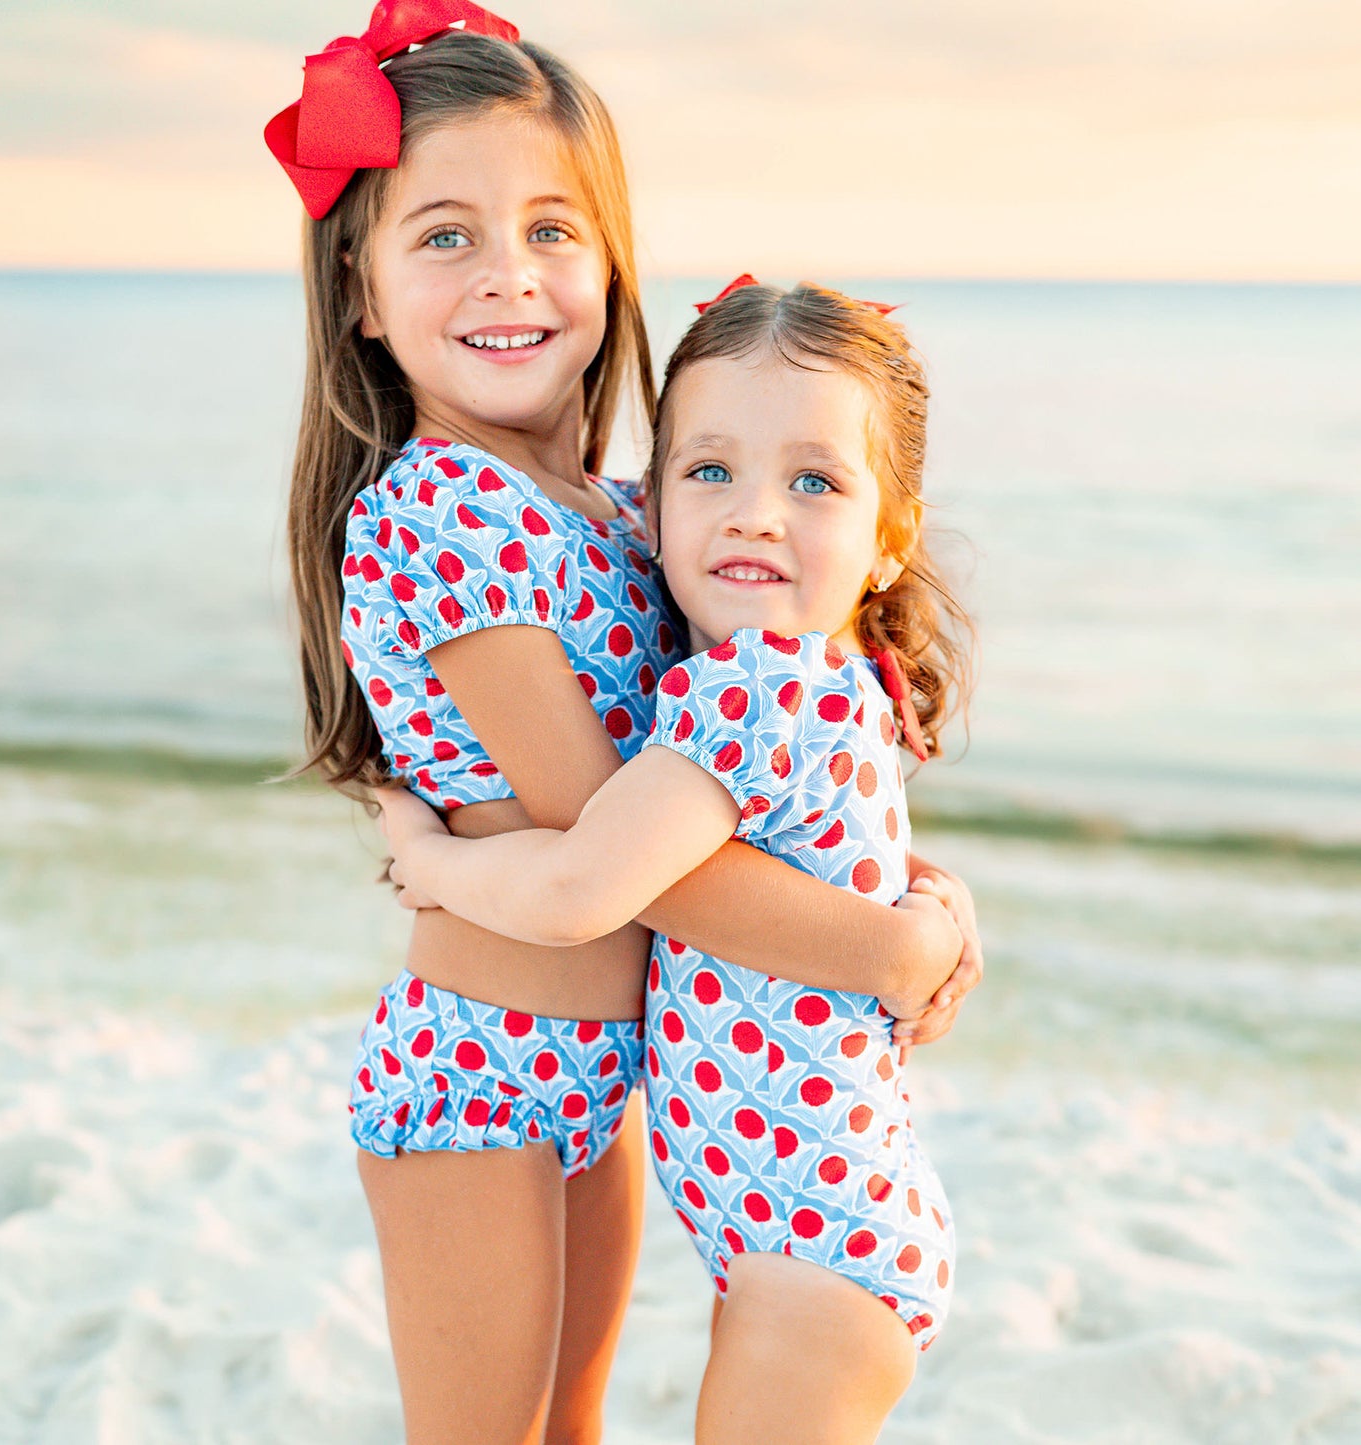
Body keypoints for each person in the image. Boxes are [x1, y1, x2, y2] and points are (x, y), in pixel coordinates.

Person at [269, 3, 982, 1437]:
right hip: (478, 1069)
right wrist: (889, 945)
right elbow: (626, 851)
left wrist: (916, 877)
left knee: (573, 1422)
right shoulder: (440, 513)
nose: (507, 276)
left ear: (609, 263)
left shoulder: (621, 511)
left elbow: (761, 777)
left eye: (551, 229)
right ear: (360, 287)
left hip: (606, 1071)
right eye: (445, 235)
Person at [378, 277, 975, 1443]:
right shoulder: (822, 676)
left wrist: (429, 857)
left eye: (812, 481)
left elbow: (575, 888)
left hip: (813, 1248)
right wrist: (935, 921)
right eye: (710, 471)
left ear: (887, 536)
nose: (753, 512)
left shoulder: (754, 685)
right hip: (823, 1233)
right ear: (645, 509)